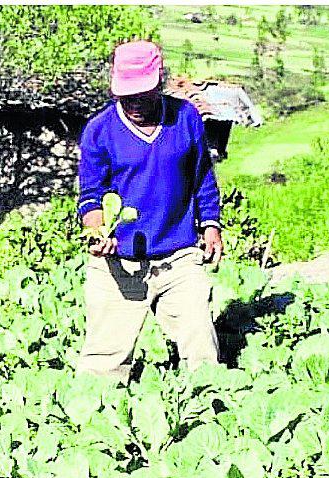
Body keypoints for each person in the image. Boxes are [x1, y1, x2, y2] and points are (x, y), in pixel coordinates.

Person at [75, 40, 225, 383]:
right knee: (102, 367)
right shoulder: (99, 131)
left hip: (178, 256)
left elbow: (201, 176)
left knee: (201, 348)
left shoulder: (185, 118)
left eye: (142, 93)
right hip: (119, 265)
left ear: (160, 82)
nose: (134, 103)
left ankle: (211, 415)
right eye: (126, 95)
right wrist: (97, 232)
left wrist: (211, 225)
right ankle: (97, 431)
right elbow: (90, 196)